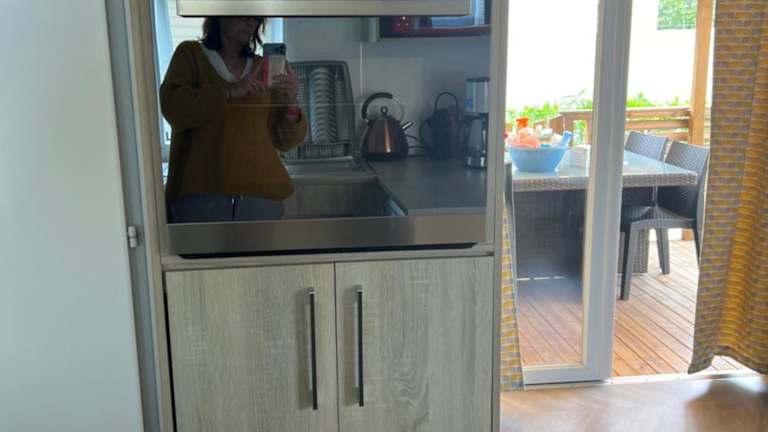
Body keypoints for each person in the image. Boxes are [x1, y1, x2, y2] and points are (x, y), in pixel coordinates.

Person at [160, 17, 307, 222]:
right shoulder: (191, 55)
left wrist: (292, 101)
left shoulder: (262, 67)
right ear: (220, 16)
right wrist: (231, 91)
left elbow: (285, 141)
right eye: (242, 16)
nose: (250, 24)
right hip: (200, 194)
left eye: (255, 20)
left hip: (261, 194)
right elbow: (173, 107)